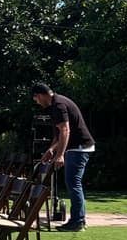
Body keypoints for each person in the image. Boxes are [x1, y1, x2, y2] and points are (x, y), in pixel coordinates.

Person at [31, 82, 95, 232]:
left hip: (79, 147)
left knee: (73, 183)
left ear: (40, 95)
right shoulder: (55, 105)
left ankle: (78, 222)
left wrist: (60, 155)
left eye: (37, 100)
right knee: (73, 182)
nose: (38, 103)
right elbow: (59, 135)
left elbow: (66, 130)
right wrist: (51, 150)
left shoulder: (59, 105)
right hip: (76, 148)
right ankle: (78, 220)